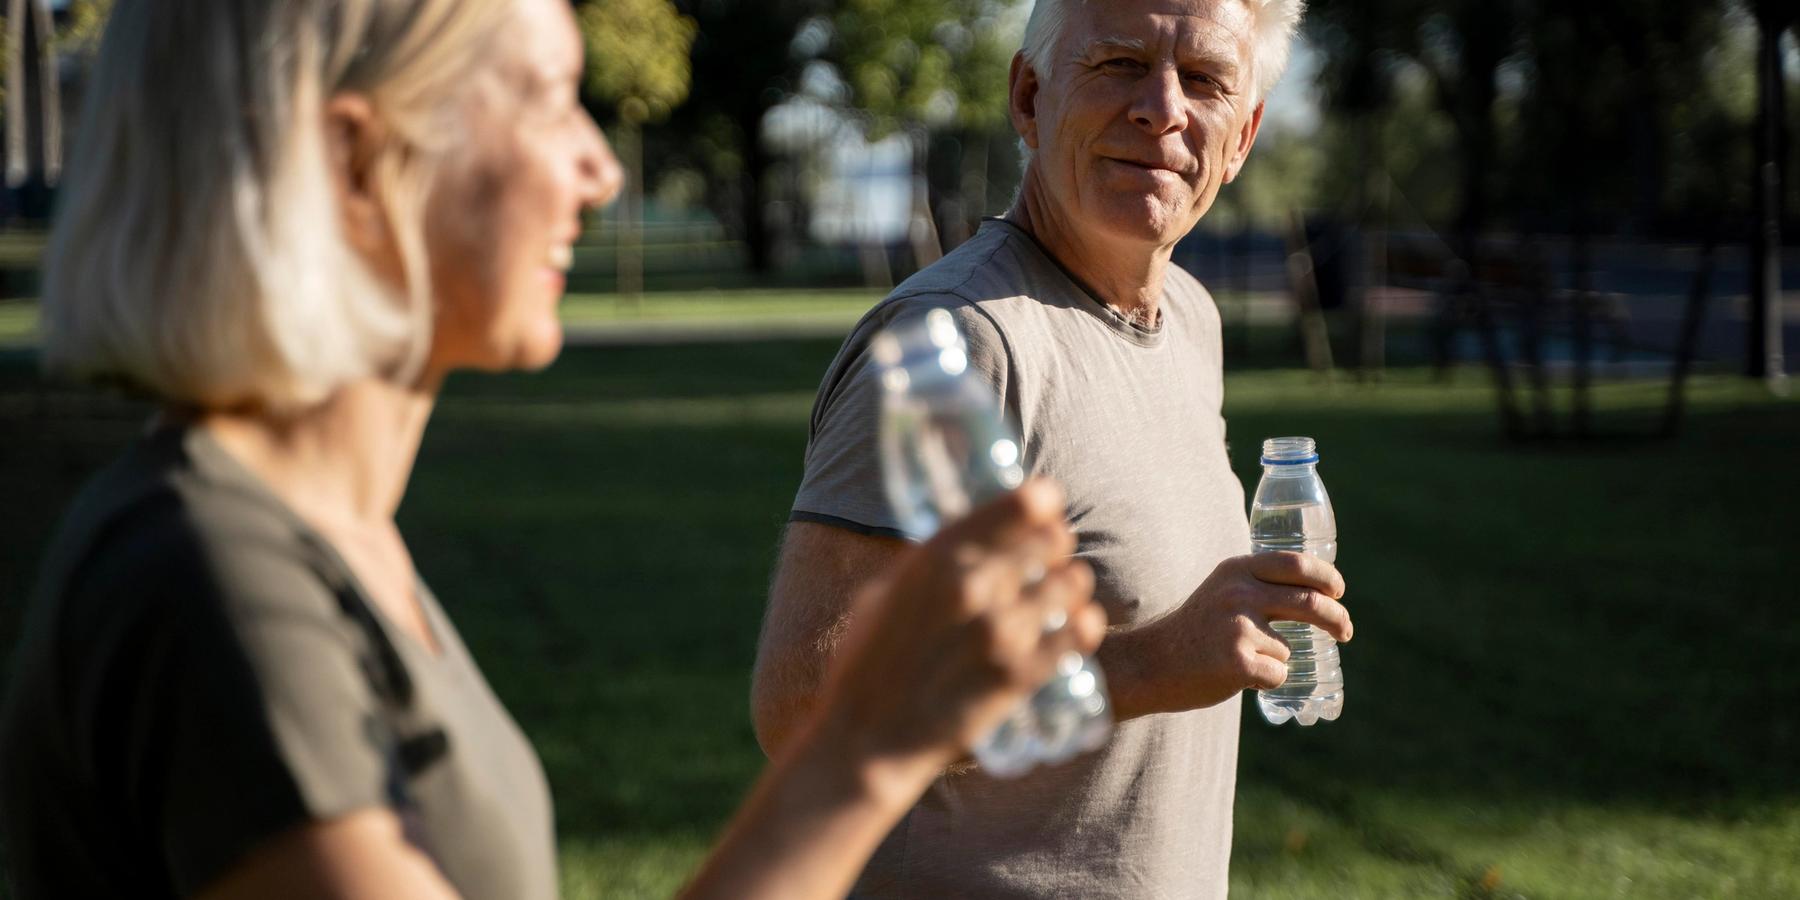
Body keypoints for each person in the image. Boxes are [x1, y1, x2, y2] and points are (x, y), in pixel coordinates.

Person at [0, 2, 1107, 899]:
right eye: (545, 101)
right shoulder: (209, 581)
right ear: (354, 158)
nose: (601, 168)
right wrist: (869, 740)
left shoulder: (323, 543)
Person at [751, 0, 1354, 896]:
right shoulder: (957, 343)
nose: (1163, 108)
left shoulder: (1188, 318)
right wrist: (1143, 666)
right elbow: (807, 710)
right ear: (1028, 97)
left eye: (1205, 80)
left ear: (1244, 136)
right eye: (1117, 65)